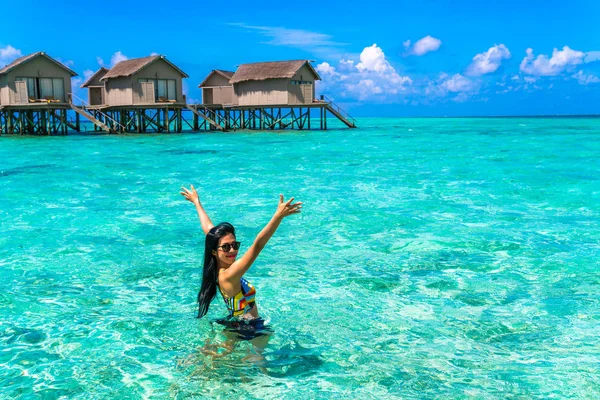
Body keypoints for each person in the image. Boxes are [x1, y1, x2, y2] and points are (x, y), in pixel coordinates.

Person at [180, 184, 302, 357]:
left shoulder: (218, 267)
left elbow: (208, 229)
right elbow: (257, 245)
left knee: (229, 364)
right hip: (250, 329)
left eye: (235, 245)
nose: (232, 251)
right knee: (260, 374)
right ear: (214, 251)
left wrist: (197, 203)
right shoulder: (229, 275)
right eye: (226, 247)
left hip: (238, 324)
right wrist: (278, 217)